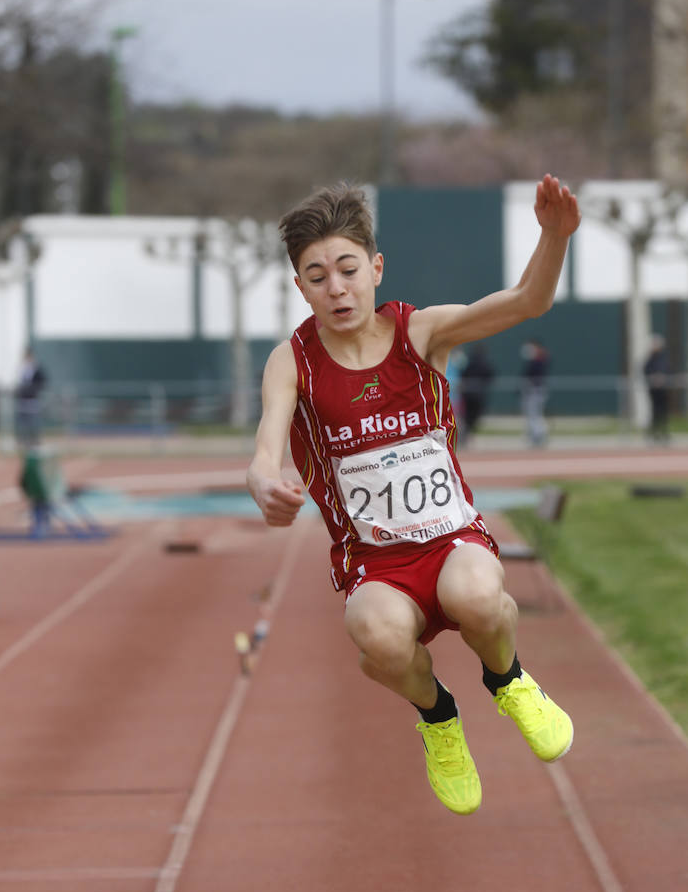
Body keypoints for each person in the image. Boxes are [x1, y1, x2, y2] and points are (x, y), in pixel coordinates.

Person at [247, 175, 580, 816]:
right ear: (299, 287)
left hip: (454, 540)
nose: (336, 288)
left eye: (347, 269)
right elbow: (266, 448)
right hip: (375, 563)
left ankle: (509, 681)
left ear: (375, 268)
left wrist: (554, 237)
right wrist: (265, 481)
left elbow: (527, 301)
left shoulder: (421, 335)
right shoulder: (292, 363)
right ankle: (439, 717)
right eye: (316, 277)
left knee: (479, 597)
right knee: (377, 636)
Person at [458, 342, 495, 445]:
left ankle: (466, 434)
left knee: (469, 416)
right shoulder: (479, 363)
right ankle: (466, 434)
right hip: (476, 394)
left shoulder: (471, 362)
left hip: (471, 394)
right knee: (471, 415)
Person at [519, 339, 550, 447]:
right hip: (531, 391)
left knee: (535, 414)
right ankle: (534, 435)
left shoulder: (540, 361)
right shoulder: (535, 361)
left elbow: (534, 376)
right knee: (531, 414)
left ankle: (539, 436)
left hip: (536, 391)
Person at [15, 347, 46, 448]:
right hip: (23, 400)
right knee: (22, 422)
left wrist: (33, 389)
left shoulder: (37, 369)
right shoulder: (22, 370)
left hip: (33, 399)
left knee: (33, 421)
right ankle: (23, 440)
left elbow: (42, 382)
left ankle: (34, 440)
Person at [643, 333, 672, 443]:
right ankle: (653, 433)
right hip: (653, 390)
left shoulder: (664, 358)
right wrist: (652, 378)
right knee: (655, 411)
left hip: (663, 390)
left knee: (663, 412)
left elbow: (668, 370)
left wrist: (663, 378)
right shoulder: (650, 359)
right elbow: (645, 370)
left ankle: (663, 433)